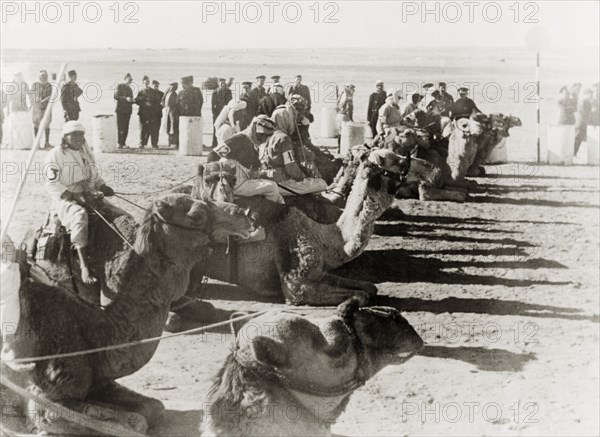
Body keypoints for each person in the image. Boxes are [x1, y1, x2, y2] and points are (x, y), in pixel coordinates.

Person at [44, 121, 117, 284]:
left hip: (89, 195)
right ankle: (84, 266)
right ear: (65, 137)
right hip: (65, 198)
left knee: (121, 215)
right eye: (75, 134)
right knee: (80, 217)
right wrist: (75, 197)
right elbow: (51, 183)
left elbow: (95, 177)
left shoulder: (86, 154)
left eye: (81, 134)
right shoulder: (56, 154)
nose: (79, 138)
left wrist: (103, 186)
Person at [207, 115, 284, 204]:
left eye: (267, 136)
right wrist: (216, 180)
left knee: (273, 188)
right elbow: (212, 155)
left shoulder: (254, 144)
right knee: (272, 187)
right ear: (254, 129)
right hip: (232, 182)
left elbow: (254, 170)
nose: (263, 139)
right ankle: (265, 214)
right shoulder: (239, 139)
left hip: (242, 180)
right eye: (261, 135)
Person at [31, 70, 53, 148]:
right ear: (39, 76)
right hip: (37, 108)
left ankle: (47, 143)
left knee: (47, 125)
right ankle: (37, 143)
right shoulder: (35, 85)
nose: (44, 77)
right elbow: (32, 96)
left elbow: (50, 96)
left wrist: (42, 101)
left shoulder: (49, 85)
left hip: (46, 108)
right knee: (36, 125)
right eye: (42, 76)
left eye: (45, 76)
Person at [211, 78, 233, 147]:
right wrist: (214, 114)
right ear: (218, 83)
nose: (222, 84)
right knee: (216, 128)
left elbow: (230, 102)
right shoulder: (215, 92)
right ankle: (214, 143)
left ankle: (225, 142)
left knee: (225, 127)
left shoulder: (228, 91)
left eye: (223, 83)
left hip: (225, 113)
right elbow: (212, 104)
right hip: (217, 113)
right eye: (221, 83)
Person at [114, 73, 134, 148]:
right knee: (120, 127)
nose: (130, 81)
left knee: (126, 127)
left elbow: (131, 99)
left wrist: (132, 100)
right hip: (120, 110)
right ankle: (119, 143)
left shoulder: (130, 89)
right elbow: (116, 96)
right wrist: (125, 98)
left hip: (128, 110)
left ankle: (123, 143)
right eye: (129, 80)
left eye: (131, 80)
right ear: (125, 79)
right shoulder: (119, 86)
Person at [135, 76, 154, 148]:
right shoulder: (140, 92)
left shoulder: (152, 91)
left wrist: (151, 104)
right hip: (142, 112)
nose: (147, 84)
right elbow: (137, 101)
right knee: (142, 128)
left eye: (148, 82)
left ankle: (145, 142)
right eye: (145, 82)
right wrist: (144, 103)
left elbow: (155, 101)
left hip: (150, 112)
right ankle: (141, 143)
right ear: (143, 83)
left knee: (149, 128)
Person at [336, 83, 355, 151]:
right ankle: (342, 147)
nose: (353, 90)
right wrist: (351, 119)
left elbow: (337, 106)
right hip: (344, 116)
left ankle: (339, 147)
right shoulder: (348, 97)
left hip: (339, 115)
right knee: (345, 132)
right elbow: (348, 109)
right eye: (352, 88)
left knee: (340, 132)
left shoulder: (342, 95)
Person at [574, 88, 593, 155]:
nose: (591, 96)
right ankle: (573, 152)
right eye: (590, 94)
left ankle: (574, 152)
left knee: (580, 138)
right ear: (586, 94)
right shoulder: (583, 101)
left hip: (583, 123)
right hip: (581, 123)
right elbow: (583, 113)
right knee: (578, 138)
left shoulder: (587, 102)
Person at [162, 82, 180, 148]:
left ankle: (174, 143)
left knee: (174, 127)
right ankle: (171, 142)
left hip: (173, 113)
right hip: (169, 113)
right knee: (169, 127)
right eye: (174, 86)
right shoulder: (168, 94)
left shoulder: (174, 94)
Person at [150, 80, 163, 147]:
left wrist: (161, 106)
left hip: (158, 114)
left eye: (157, 86)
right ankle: (144, 143)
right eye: (155, 86)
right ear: (152, 86)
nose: (156, 87)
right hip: (150, 114)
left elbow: (164, 103)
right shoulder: (149, 93)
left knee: (156, 129)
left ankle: (155, 143)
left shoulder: (161, 94)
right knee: (149, 129)